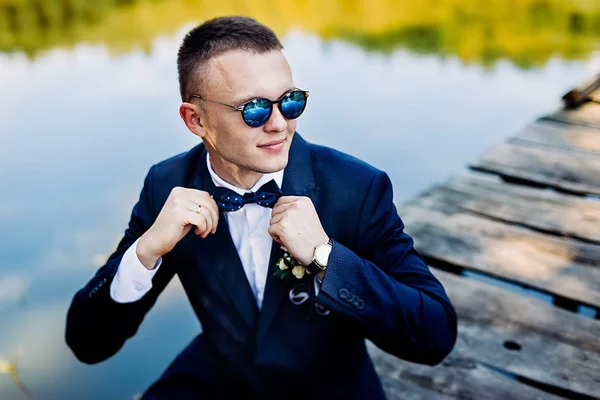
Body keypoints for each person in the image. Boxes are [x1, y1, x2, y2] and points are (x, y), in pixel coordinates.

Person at [65, 16, 457, 400]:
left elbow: (434, 334)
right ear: (196, 120)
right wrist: (146, 251)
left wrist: (326, 258)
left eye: (290, 101)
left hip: (329, 387)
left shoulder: (355, 187)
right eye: (254, 109)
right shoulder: (167, 185)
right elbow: (89, 343)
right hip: (222, 375)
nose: (278, 124)